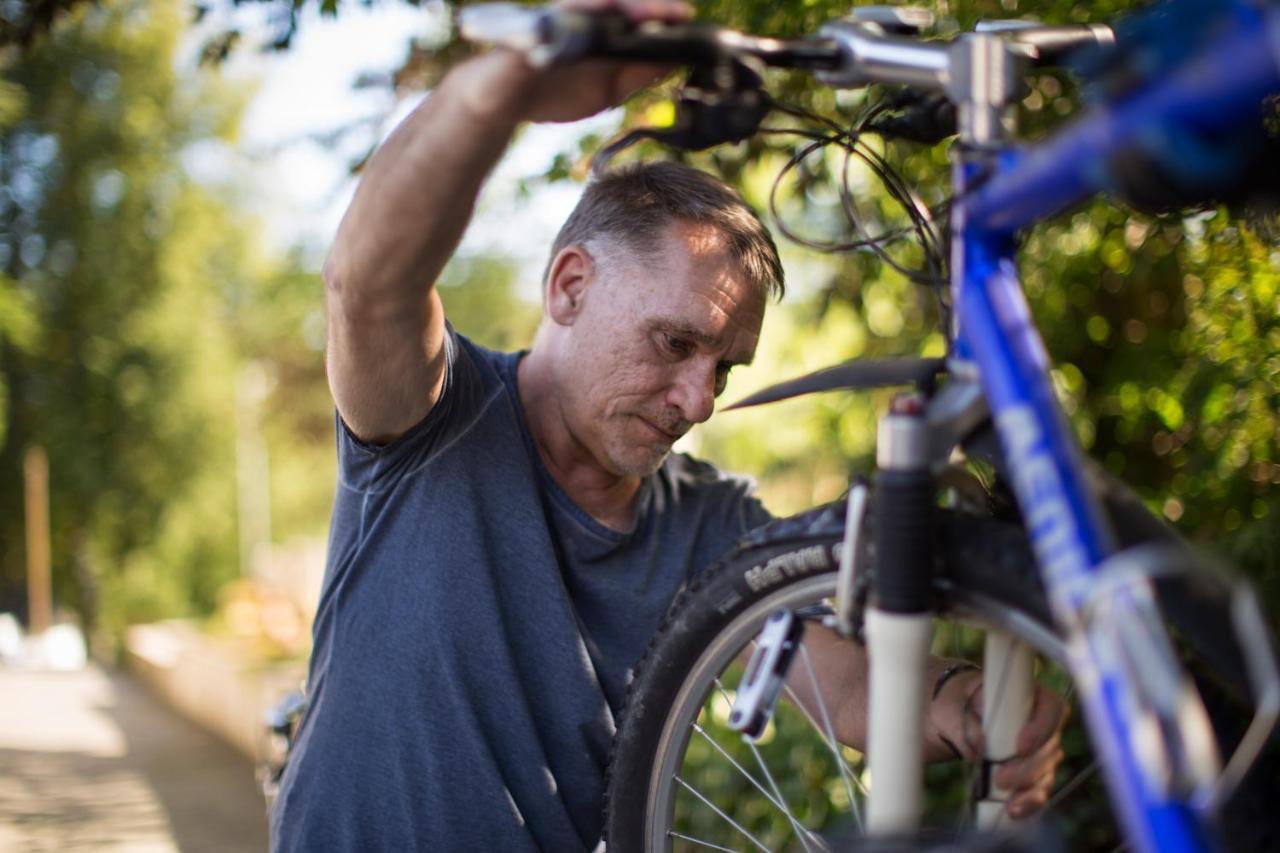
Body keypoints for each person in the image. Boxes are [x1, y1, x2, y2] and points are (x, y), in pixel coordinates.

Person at [270, 0, 1066, 849]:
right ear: (570, 287)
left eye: (724, 368)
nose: (699, 402)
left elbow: (854, 690)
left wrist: (965, 705)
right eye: (675, 342)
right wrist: (503, 88)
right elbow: (367, 286)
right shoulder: (436, 417)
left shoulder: (707, 526)